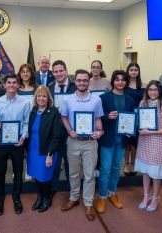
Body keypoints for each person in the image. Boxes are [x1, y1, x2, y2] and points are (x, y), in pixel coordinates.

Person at [60, 69, 104, 221]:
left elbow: (98, 120)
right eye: (79, 80)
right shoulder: (67, 100)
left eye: (85, 80)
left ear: (88, 81)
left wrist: (101, 131)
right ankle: (73, 198)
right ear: (75, 81)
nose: (82, 83)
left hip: (90, 143)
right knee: (73, 173)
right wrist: (69, 130)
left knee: (89, 175)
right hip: (73, 142)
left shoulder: (96, 100)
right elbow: (64, 117)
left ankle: (88, 203)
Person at [96, 70, 135, 214]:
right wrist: (107, 116)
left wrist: (131, 130)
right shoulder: (103, 98)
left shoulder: (130, 100)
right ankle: (102, 196)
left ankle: (112, 193)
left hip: (122, 139)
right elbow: (97, 117)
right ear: (113, 81)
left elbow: (132, 119)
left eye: (123, 80)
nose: (120, 82)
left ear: (126, 82)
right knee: (105, 169)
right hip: (107, 139)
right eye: (117, 79)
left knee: (116, 168)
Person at [0, 74, 31, 216]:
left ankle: (16, 198)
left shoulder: (25, 102)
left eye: (15, 82)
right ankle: (0, 199)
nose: (12, 85)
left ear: (18, 85)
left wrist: (23, 136)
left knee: (18, 171)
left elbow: (26, 122)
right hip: (2, 142)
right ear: (4, 85)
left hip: (17, 142)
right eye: (9, 82)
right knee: (0, 172)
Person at [135, 80, 162, 212]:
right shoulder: (143, 103)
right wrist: (138, 128)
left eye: (155, 89)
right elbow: (139, 121)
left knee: (155, 172)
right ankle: (146, 196)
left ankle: (155, 197)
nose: (153, 92)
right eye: (150, 89)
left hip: (158, 141)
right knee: (145, 170)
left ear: (160, 91)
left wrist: (151, 132)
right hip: (144, 140)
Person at [26, 86, 62, 213]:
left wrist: (50, 154)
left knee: (45, 177)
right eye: (39, 96)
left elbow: (56, 136)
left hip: (46, 151)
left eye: (44, 96)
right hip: (33, 151)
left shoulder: (53, 112)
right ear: (36, 98)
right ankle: (39, 197)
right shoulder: (34, 111)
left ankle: (46, 199)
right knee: (37, 176)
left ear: (48, 98)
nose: (41, 98)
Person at [47, 60, 76, 198]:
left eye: (61, 71)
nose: (59, 74)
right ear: (53, 73)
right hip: (55, 130)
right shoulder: (49, 88)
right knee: (55, 160)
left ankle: (72, 190)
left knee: (70, 161)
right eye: (56, 71)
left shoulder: (75, 87)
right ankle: (53, 188)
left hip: (71, 129)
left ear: (66, 71)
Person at [123, 63, 144, 176]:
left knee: (135, 143)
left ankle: (134, 164)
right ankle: (126, 164)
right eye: (131, 69)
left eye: (136, 70)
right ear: (128, 71)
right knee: (127, 142)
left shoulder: (143, 85)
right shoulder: (123, 84)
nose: (134, 72)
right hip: (126, 117)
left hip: (139, 117)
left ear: (139, 71)